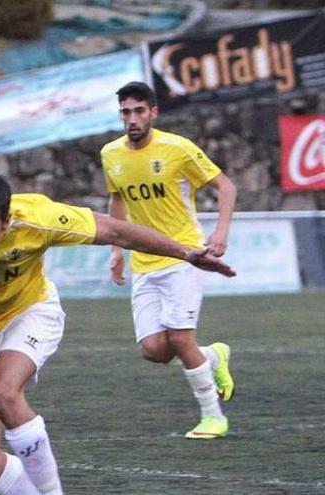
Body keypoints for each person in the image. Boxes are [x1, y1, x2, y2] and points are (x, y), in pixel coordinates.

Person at [0, 172, 235, 495]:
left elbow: (116, 231)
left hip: (31, 313)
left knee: (1, 390)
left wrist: (186, 253)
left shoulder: (37, 217)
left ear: (7, 220)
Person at [100, 81, 238, 440]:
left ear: (153, 112)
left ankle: (213, 416)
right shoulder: (111, 154)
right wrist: (116, 250)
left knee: (179, 337)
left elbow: (226, 186)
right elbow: (117, 200)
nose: (132, 118)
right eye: (126, 112)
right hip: (144, 263)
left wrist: (221, 231)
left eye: (139, 111)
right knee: (154, 350)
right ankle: (213, 357)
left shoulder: (177, 148)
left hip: (186, 257)